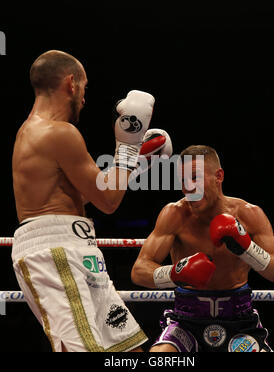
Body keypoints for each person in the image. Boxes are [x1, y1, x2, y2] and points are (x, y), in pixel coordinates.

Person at [11, 50, 166, 352]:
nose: (84, 97)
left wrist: (136, 164)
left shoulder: (36, 132)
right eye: (84, 86)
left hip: (78, 247)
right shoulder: (58, 133)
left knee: (126, 349)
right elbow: (109, 201)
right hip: (55, 252)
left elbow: (87, 195)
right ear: (71, 83)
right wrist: (128, 149)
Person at [131, 145, 274, 352]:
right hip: (186, 322)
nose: (187, 187)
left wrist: (247, 249)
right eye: (182, 180)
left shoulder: (249, 215)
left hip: (239, 321)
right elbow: (139, 271)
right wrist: (175, 273)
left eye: (195, 178)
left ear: (219, 176)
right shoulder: (175, 215)